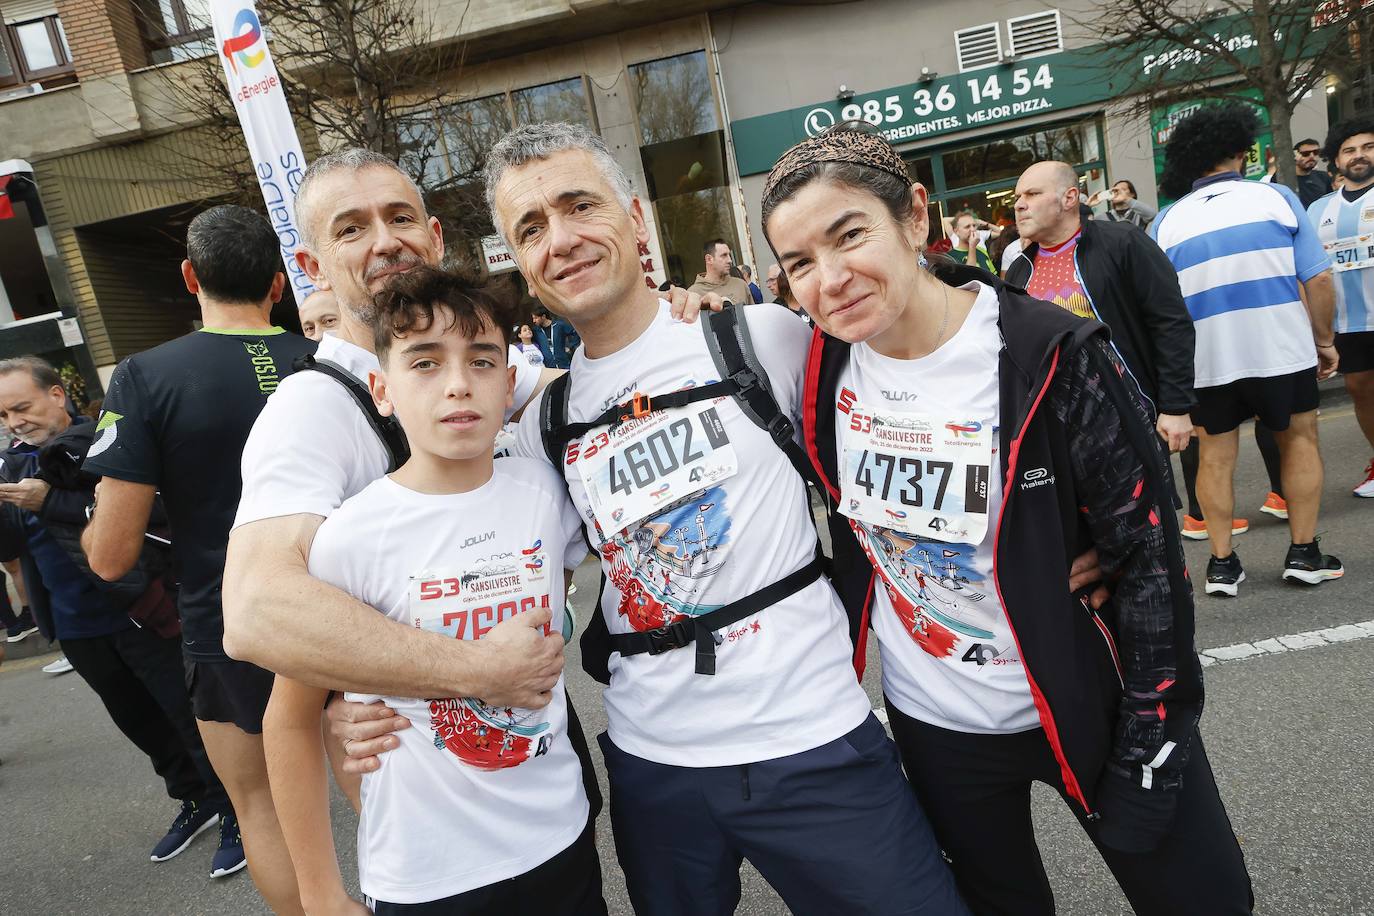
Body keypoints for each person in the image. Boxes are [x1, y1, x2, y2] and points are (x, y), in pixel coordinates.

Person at [339, 121, 970, 916]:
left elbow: (927, 410)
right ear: (518, 261)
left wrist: (1059, 544)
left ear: (635, 219)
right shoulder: (542, 419)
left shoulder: (759, 338)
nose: (561, 240)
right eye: (531, 229)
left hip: (814, 740)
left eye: (579, 207)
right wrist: (363, 698)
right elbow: (461, 555)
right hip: (655, 767)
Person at [763, 125, 1252, 916]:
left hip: (1088, 697)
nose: (831, 278)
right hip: (938, 721)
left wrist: (1152, 731)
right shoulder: (816, 366)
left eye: (848, 234)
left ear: (915, 216)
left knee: (1205, 901)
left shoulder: (1052, 352)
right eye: (798, 263)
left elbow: (1151, 560)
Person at [265, 266, 606, 915]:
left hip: (558, 838)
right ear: (381, 387)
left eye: (481, 361)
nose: (458, 384)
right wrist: (319, 893)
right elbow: (288, 718)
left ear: (510, 384)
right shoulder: (350, 536)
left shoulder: (543, 490)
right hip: (429, 874)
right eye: (425, 363)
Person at [80, 206, 323, 903]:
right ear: (277, 285)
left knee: (263, 811)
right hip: (341, 603)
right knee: (381, 785)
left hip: (229, 624)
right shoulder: (328, 359)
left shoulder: (144, 375)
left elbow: (110, 556)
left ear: (190, 277)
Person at [0, 357, 235, 872]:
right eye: (3, 415)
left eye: (22, 407)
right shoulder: (14, 463)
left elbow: (150, 514)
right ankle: (195, 799)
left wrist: (50, 502)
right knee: (139, 722)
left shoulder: (103, 443)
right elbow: (10, 544)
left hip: (141, 607)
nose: (14, 422)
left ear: (57, 395)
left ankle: (236, 807)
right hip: (74, 624)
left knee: (190, 715)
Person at [1153, 102, 1342, 596]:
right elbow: (1318, 278)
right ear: (1242, 151)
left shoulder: (1166, 222)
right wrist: (1324, 340)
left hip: (1206, 358)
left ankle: (1221, 563)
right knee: (1298, 441)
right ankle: (1304, 553)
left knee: (1214, 457)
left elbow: (1161, 307)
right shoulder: (1276, 197)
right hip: (1280, 345)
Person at [1005, 162, 1195, 450]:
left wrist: (1175, 406)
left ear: (1070, 198)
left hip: (1129, 416)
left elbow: (1170, 322)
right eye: (1017, 197)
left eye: (1032, 194)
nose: (1019, 205)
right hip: (1059, 428)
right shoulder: (1020, 270)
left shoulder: (1122, 242)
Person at [1308, 116, 1374, 497]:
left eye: (1367, 147)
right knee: (1362, 391)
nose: (1359, 155)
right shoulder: (1317, 210)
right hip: (1348, 322)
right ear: (1336, 160)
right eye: (1350, 150)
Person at [1266, 138, 1334, 209]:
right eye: (1305, 154)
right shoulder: (1282, 178)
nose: (1312, 156)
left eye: (1316, 152)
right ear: (1295, 155)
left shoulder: (1324, 177)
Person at [688, 238, 753, 304]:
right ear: (709, 259)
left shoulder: (741, 285)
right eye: (724, 255)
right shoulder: (693, 293)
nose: (729, 260)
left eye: (729, 255)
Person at [1087, 179, 1158, 230]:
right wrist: (1087, 206)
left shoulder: (1138, 214)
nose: (1118, 193)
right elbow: (1087, 227)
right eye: (1115, 191)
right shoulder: (1103, 217)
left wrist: (1126, 199)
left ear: (1132, 194)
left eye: (1123, 190)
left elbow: (1152, 214)